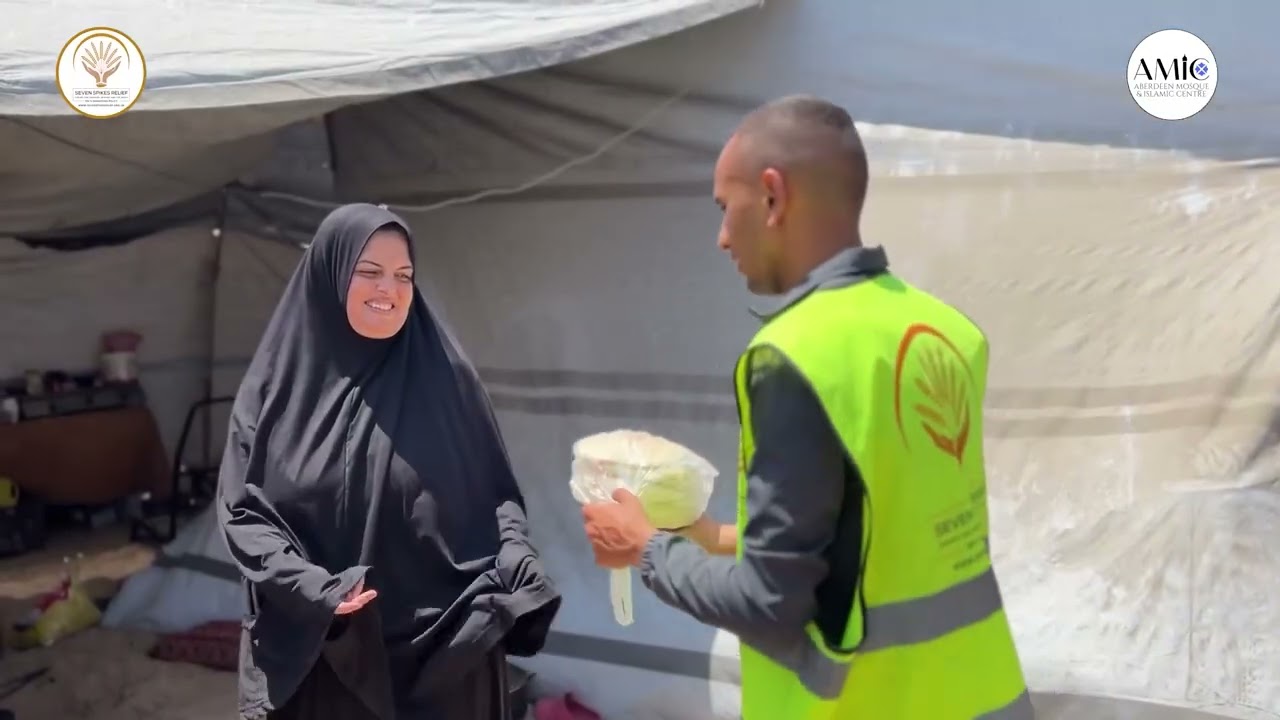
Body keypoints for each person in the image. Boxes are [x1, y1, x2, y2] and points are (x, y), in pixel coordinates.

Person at [580, 96, 1032, 719]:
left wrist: (646, 547)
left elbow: (772, 605)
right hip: (987, 697)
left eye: (724, 207)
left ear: (772, 196)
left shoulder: (794, 356)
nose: (719, 238)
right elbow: (871, 529)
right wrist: (710, 535)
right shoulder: (946, 331)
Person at [217, 203, 562, 720]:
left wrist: (517, 555)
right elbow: (245, 514)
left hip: (447, 652)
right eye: (369, 272)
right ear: (330, 274)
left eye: (404, 276)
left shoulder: (446, 381)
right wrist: (316, 592)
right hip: (324, 653)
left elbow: (497, 498)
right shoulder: (273, 394)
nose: (390, 291)